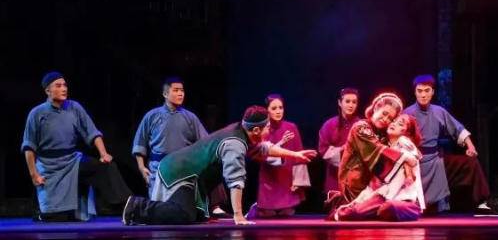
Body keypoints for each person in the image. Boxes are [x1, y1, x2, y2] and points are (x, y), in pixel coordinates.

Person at [122, 105, 316, 225]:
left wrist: (295, 154)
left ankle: (150, 209)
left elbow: (265, 148)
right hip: (178, 171)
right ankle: (137, 207)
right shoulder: (235, 143)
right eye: (266, 127)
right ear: (256, 130)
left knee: (196, 216)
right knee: (183, 215)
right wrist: (238, 216)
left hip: (189, 175)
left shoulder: (243, 132)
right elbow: (235, 180)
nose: (268, 130)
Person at [23, 71, 131, 221]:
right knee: (56, 218)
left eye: (65, 85)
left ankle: (127, 206)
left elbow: (93, 132)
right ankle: (44, 212)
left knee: (106, 167)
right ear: (48, 90)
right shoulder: (37, 113)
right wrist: (34, 174)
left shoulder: (74, 107)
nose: (64, 89)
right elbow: (29, 147)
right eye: (58, 86)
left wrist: (103, 153)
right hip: (49, 166)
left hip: (72, 160)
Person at [403, 75, 488, 213]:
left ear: (432, 92)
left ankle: (481, 202)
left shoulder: (439, 111)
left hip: (435, 159)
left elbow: (458, 129)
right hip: (416, 162)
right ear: (415, 92)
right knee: (425, 208)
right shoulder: (407, 113)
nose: (423, 95)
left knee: (470, 163)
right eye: (420, 91)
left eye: (427, 90)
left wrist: (471, 146)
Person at [332, 92, 420, 220]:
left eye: (390, 118)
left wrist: (407, 167)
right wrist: (405, 158)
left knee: (386, 206)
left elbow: (407, 157)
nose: (386, 119)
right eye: (384, 113)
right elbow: (377, 150)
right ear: (376, 108)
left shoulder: (385, 134)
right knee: (367, 209)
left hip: (376, 187)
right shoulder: (361, 128)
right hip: (355, 186)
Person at [132, 77, 209, 194]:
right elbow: (139, 143)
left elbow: (205, 143)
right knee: (158, 203)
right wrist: (141, 168)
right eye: (176, 90)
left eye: (182, 90)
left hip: (183, 170)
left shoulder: (190, 117)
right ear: (165, 94)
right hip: (158, 169)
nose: (180, 94)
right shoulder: (152, 116)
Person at [247, 94, 310, 218]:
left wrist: (299, 181)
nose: (278, 111)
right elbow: (263, 153)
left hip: (286, 178)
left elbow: (299, 154)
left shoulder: (291, 127)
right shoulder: (263, 129)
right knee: (267, 214)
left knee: (287, 213)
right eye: (274, 108)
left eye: (281, 108)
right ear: (267, 110)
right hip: (269, 177)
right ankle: (257, 207)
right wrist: (281, 143)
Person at [318, 88, 361, 202]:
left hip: (356, 177)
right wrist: (342, 149)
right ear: (339, 103)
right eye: (347, 101)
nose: (351, 105)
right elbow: (323, 151)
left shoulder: (361, 125)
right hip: (334, 178)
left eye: (354, 102)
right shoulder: (329, 125)